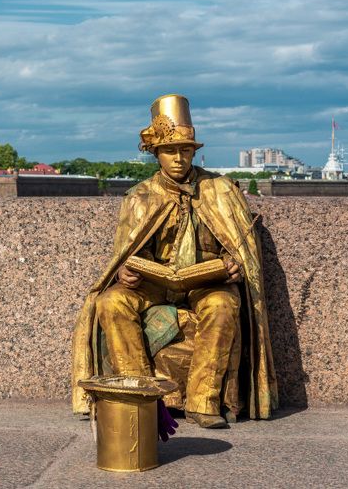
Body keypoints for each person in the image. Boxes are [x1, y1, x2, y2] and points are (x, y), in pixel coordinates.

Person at [71, 94, 277, 428]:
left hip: (206, 283)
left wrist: (233, 265)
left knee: (223, 304)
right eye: (170, 151)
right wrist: (126, 272)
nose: (178, 159)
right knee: (110, 302)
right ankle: (141, 396)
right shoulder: (139, 197)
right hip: (153, 284)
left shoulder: (222, 191)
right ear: (156, 154)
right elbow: (127, 251)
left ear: (194, 152)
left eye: (185, 150)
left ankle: (203, 403)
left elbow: (240, 249)